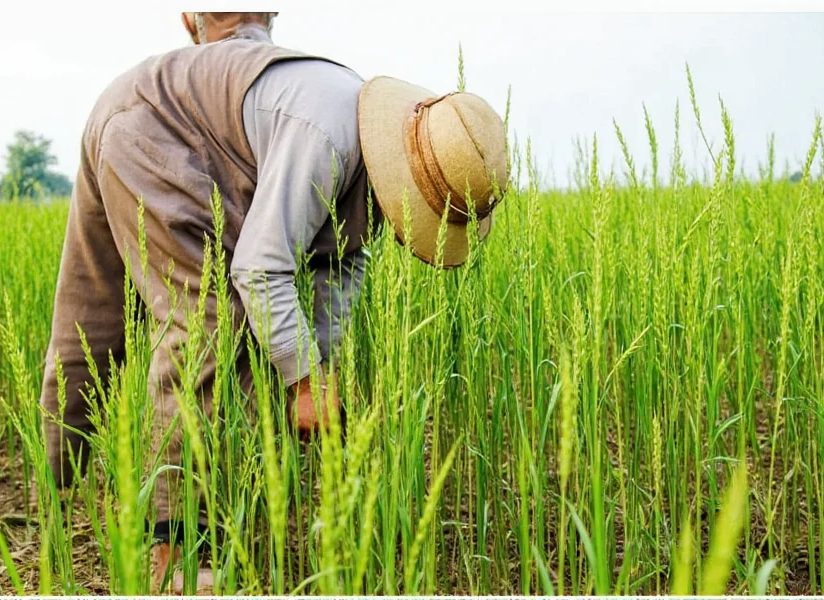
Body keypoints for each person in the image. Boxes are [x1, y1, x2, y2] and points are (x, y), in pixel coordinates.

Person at [38, 11, 507, 594]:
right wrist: (304, 380)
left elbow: (342, 259)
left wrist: (319, 367)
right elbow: (260, 267)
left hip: (178, 126)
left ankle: (56, 490)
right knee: (203, 320)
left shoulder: (384, 152)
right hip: (154, 127)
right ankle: (175, 546)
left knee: (96, 311)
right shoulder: (329, 138)